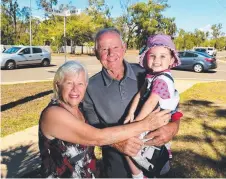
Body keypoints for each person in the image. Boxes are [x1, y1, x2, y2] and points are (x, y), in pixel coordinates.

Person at [38, 60, 170, 178]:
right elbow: (97, 137)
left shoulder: (81, 110)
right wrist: (145, 124)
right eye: (69, 83)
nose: (75, 89)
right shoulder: (53, 114)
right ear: (57, 85)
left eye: (80, 84)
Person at [83, 28, 182, 178]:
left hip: (156, 163)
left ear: (124, 48)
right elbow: (92, 130)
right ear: (96, 52)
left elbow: (172, 104)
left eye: (115, 47)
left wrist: (173, 127)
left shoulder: (148, 73)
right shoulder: (89, 87)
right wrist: (118, 142)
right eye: (104, 49)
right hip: (117, 169)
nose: (111, 54)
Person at [124, 34, 181, 178]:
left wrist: (137, 123)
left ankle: (142, 174)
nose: (157, 61)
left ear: (172, 59)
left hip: (156, 121)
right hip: (151, 119)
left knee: (133, 147)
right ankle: (143, 172)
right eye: (152, 56)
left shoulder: (162, 80)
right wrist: (130, 113)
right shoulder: (150, 76)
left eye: (163, 56)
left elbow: (151, 102)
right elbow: (139, 94)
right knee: (132, 148)